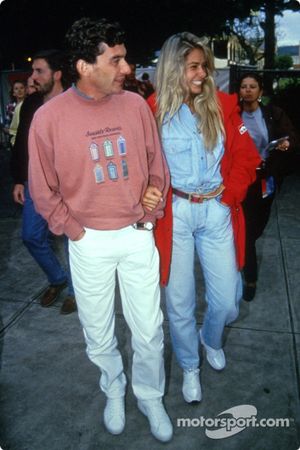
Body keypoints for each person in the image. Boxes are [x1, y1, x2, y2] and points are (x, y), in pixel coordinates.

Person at [28, 17, 172, 442]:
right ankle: (113, 387)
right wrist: (74, 231)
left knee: (149, 328)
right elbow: (42, 187)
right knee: (98, 330)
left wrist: (153, 202)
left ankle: (149, 395)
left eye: (125, 59)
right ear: (85, 66)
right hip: (87, 241)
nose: (127, 69)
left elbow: (156, 166)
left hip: (136, 234)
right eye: (117, 60)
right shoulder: (49, 118)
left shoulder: (134, 107)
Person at [144, 32, 260, 404]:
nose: (202, 73)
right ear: (174, 68)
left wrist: (231, 195)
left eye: (204, 65)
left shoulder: (224, 105)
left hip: (216, 211)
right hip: (174, 214)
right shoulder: (151, 110)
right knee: (178, 303)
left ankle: (211, 339)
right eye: (193, 66)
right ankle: (190, 366)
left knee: (227, 301)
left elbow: (248, 158)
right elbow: (140, 165)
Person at [10, 49, 76, 315]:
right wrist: (19, 180)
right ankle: (57, 278)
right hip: (37, 183)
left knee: (73, 240)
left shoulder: (76, 101)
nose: (33, 77)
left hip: (71, 184)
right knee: (31, 236)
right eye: (33, 71)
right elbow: (23, 144)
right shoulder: (32, 103)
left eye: (40, 71)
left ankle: (74, 290)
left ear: (57, 74)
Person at [238, 73, 298, 301]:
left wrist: (286, 143)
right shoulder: (232, 115)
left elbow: (291, 136)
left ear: (260, 91)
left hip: (265, 179)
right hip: (242, 179)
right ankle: (249, 278)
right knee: (247, 231)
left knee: (258, 227)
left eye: (253, 86)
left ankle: (246, 250)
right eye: (244, 86)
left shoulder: (273, 114)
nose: (248, 90)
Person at [8, 80, 27, 146]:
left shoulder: (29, 105)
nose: (19, 90)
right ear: (13, 93)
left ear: (26, 90)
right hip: (13, 139)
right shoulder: (10, 107)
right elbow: (9, 124)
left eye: (21, 88)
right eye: (16, 88)